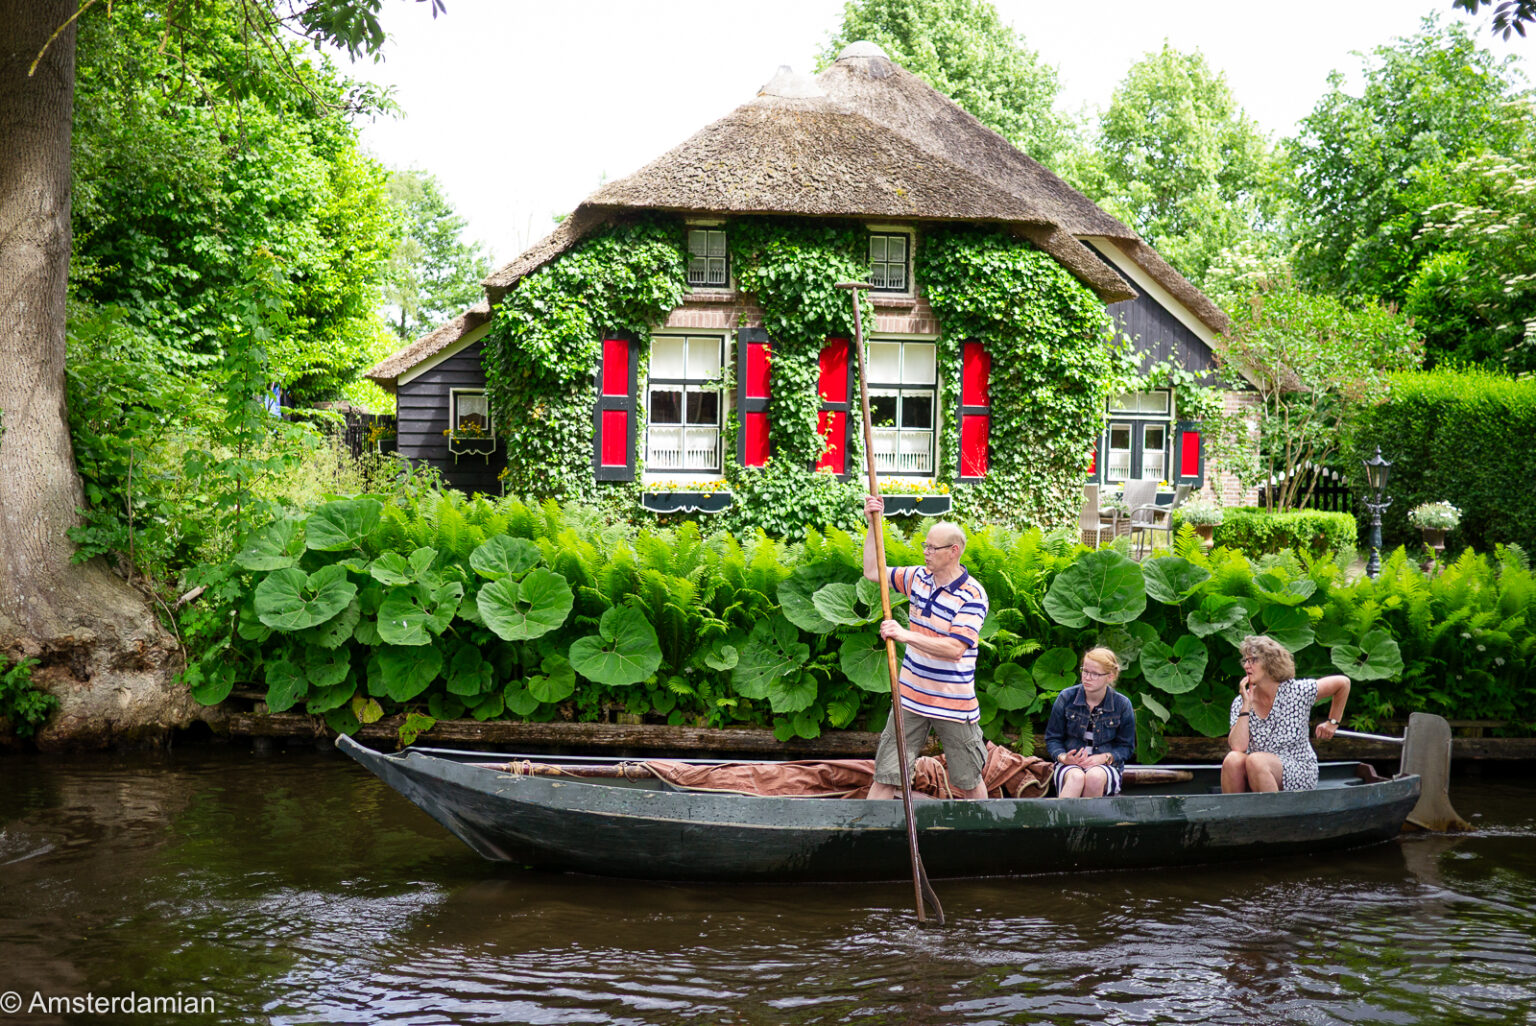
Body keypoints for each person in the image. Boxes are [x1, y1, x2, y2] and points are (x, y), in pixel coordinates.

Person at [861, 495, 990, 800]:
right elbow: (872, 572)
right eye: (925, 546)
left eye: (933, 548)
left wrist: (904, 635)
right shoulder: (918, 577)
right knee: (886, 775)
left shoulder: (973, 595)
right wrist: (872, 523)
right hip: (911, 697)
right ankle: (869, 839)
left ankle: (982, 838)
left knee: (968, 781)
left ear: (954, 552)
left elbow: (954, 648)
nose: (926, 552)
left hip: (954, 704)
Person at [1222, 634, 1351, 793]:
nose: (1247, 666)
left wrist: (1332, 722)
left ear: (1270, 663)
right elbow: (1237, 747)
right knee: (1232, 760)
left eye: (1253, 660)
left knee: (1257, 761)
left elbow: (1343, 683)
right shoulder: (1241, 701)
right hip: (1255, 769)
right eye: (1245, 661)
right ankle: (1235, 816)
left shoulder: (1297, 691)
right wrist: (1246, 705)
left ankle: (1275, 815)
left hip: (1297, 767)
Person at [1044, 647, 1137, 797]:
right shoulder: (1066, 698)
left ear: (1110, 676)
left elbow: (1126, 747)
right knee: (1076, 777)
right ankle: (1061, 819)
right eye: (1085, 671)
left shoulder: (1122, 704)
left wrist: (1104, 757)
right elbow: (1053, 738)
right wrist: (1064, 757)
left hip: (1106, 766)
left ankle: (1089, 820)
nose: (1087, 677)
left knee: (1094, 777)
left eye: (1094, 674)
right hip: (1070, 765)